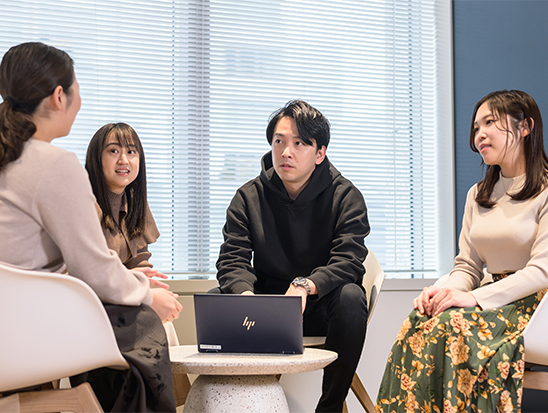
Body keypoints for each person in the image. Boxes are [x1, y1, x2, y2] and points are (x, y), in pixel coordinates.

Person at [0, 42, 182, 412]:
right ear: (59, 96)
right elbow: (94, 270)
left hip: (10, 324)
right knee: (144, 322)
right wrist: (149, 294)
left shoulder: (9, 154)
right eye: (78, 87)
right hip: (25, 330)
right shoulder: (55, 164)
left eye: (131, 152)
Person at [376, 90, 548, 412]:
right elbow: (467, 267)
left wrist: (474, 298)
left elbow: (542, 271)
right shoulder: (478, 194)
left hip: (536, 309)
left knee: (451, 327)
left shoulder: (546, 190)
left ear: (525, 127)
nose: (479, 134)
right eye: (476, 127)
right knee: (419, 320)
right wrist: (440, 292)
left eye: (490, 123)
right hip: (491, 301)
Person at [215, 100, 370, 412]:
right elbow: (232, 259)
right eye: (279, 141)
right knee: (217, 299)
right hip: (264, 307)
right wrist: (244, 295)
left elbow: (350, 259)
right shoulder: (248, 197)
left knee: (352, 297)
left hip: (319, 306)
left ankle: (329, 406)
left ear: (320, 153)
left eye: (300, 143)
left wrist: (305, 285)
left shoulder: (346, 196)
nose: (286, 152)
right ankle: (231, 405)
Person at [85, 122, 179, 345]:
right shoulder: (85, 204)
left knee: (164, 318)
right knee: (157, 322)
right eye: (114, 151)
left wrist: (155, 289)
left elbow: (140, 263)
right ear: (96, 158)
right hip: (91, 301)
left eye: (131, 151)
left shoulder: (135, 203)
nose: (124, 160)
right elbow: (89, 272)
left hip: (122, 296)